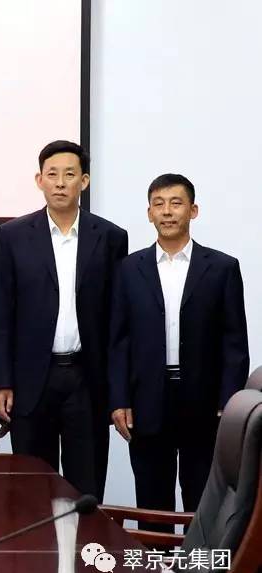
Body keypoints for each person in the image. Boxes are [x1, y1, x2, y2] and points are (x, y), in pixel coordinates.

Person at [0, 141, 128, 499]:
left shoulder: (110, 237)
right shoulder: (13, 236)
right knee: (33, 490)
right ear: (40, 180)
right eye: (52, 174)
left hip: (86, 379)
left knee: (86, 488)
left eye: (69, 174)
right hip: (32, 379)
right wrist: (1, 382)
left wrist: (118, 390)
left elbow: (117, 322)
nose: (60, 183)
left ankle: (84, 540)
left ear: (84, 181)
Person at [109, 173, 248, 528]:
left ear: (193, 210)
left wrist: (228, 403)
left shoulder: (222, 268)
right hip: (147, 400)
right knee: (152, 502)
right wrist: (119, 399)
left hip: (203, 402)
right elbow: (119, 340)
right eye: (159, 204)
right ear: (149, 213)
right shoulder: (129, 269)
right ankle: (156, 565)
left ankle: (198, 564)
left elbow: (234, 343)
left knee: (202, 503)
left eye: (176, 203)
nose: (167, 212)